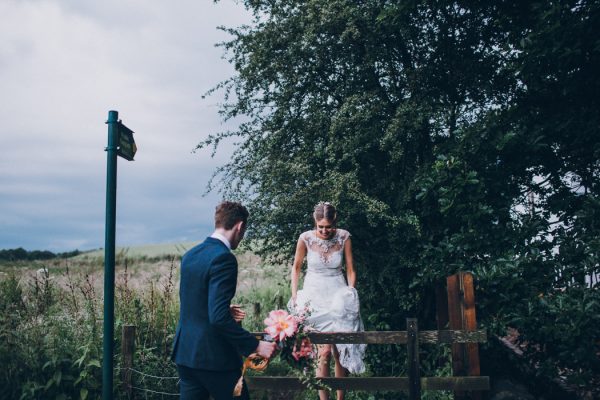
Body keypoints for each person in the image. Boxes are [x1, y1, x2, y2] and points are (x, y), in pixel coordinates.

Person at [172, 201, 277, 400]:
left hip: (186, 354)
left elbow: (194, 303)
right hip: (213, 358)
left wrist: (224, 308)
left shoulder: (190, 255)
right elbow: (218, 318)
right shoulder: (224, 258)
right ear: (240, 226)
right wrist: (255, 346)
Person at [289, 202, 366, 400]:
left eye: (328, 226)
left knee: (340, 351)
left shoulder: (344, 237)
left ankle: (341, 398)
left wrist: (350, 291)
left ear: (335, 221)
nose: (324, 230)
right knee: (323, 354)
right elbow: (296, 267)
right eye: (320, 226)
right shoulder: (305, 238)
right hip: (314, 298)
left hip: (338, 297)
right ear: (315, 222)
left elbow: (350, 268)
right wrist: (295, 294)